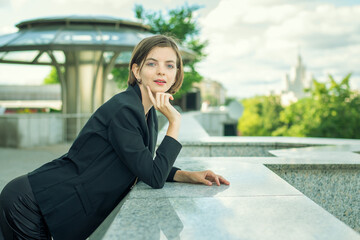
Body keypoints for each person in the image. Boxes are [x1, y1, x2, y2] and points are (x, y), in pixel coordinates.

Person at [0, 35, 229, 240]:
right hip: (30, 203)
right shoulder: (125, 110)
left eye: (170, 66)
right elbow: (154, 177)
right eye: (152, 63)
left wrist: (189, 175)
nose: (162, 71)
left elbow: (143, 164)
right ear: (136, 71)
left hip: (45, 202)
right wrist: (175, 122)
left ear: (176, 74)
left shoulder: (145, 113)